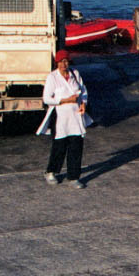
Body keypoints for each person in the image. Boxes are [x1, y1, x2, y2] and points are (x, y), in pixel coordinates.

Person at [39, 51, 90, 186]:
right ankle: (51, 172)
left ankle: (74, 177)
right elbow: (47, 99)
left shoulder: (75, 74)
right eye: (61, 62)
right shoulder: (52, 77)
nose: (64, 64)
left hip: (75, 116)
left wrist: (83, 103)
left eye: (66, 61)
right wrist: (66, 100)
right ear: (57, 63)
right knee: (60, 145)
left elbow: (83, 91)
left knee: (76, 145)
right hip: (60, 116)